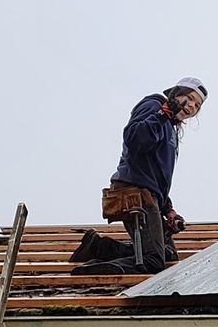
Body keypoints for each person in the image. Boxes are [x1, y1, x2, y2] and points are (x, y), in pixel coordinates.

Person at [69, 77, 207, 275]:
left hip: (150, 193)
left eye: (198, 104)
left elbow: (155, 173)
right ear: (177, 93)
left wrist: (168, 209)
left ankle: (98, 247)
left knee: (168, 255)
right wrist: (164, 113)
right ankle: (91, 273)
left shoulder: (170, 127)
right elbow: (134, 139)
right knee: (153, 261)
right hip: (136, 192)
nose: (192, 105)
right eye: (190, 97)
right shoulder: (155, 105)